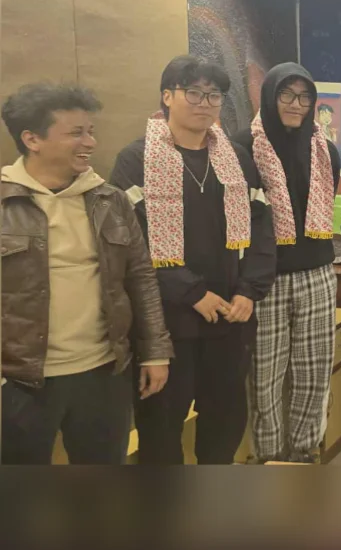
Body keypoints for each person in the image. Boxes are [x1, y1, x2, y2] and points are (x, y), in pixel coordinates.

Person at [112, 55, 276, 464]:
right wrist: (191, 292)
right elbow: (132, 244)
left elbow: (262, 228)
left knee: (224, 424)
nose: (205, 103)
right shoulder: (136, 159)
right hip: (169, 324)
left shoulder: (235, 157)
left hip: (231, 318)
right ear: (167, 96)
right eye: (194, 93)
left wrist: (250, 290)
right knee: (161, 428)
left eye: (214, 95)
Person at [0, 83, 173, 465]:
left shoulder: (110, 199)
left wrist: (155, 352)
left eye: (90, 131)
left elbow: (140, 277)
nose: (90, 142)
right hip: (20, 382)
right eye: (76, 133)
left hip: (103, 372)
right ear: (32, 139)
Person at [232, 63, 341, 464]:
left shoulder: (325, 150)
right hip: (265, 279)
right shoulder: (242, 146)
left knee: (314, 370)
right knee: (265, 373)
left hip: (317, 273)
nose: (296, 104)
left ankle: (304, 451)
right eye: (287, 95)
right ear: (269, 96)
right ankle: (269, 455)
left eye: (305, 96)